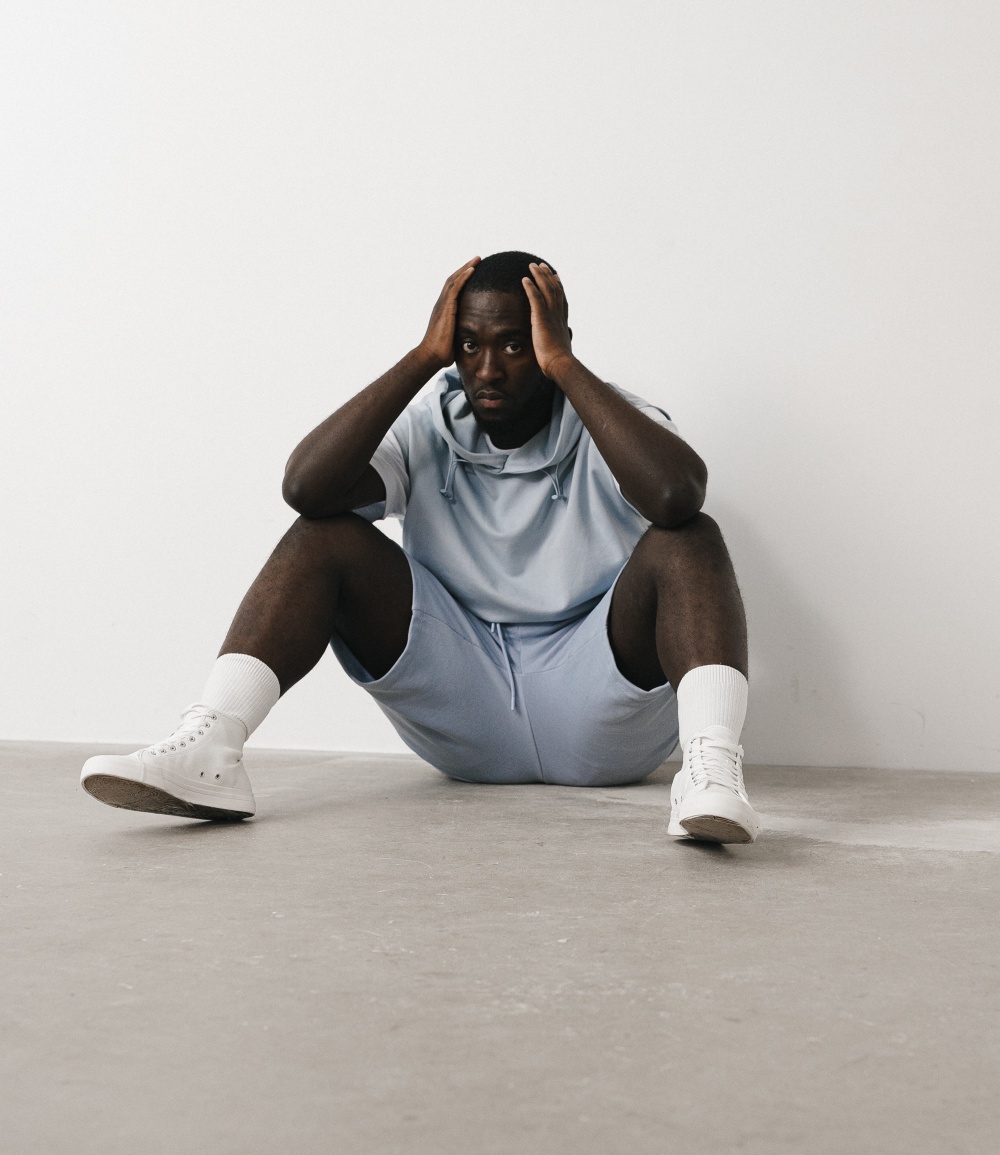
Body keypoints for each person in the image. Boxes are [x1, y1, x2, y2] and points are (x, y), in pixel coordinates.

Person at [81, 252, 759, 843]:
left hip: (598, 708)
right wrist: (423, 357)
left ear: (551, 341)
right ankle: (211, 748)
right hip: (464, 700)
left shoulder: (612, 420)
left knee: (690, 540)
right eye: (467, 345)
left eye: (515, 346)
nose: (487, 369)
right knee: (324, 532)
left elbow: (676, 496)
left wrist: (564, 365)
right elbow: (306, 488)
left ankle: (711, 775)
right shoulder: (430, 422)